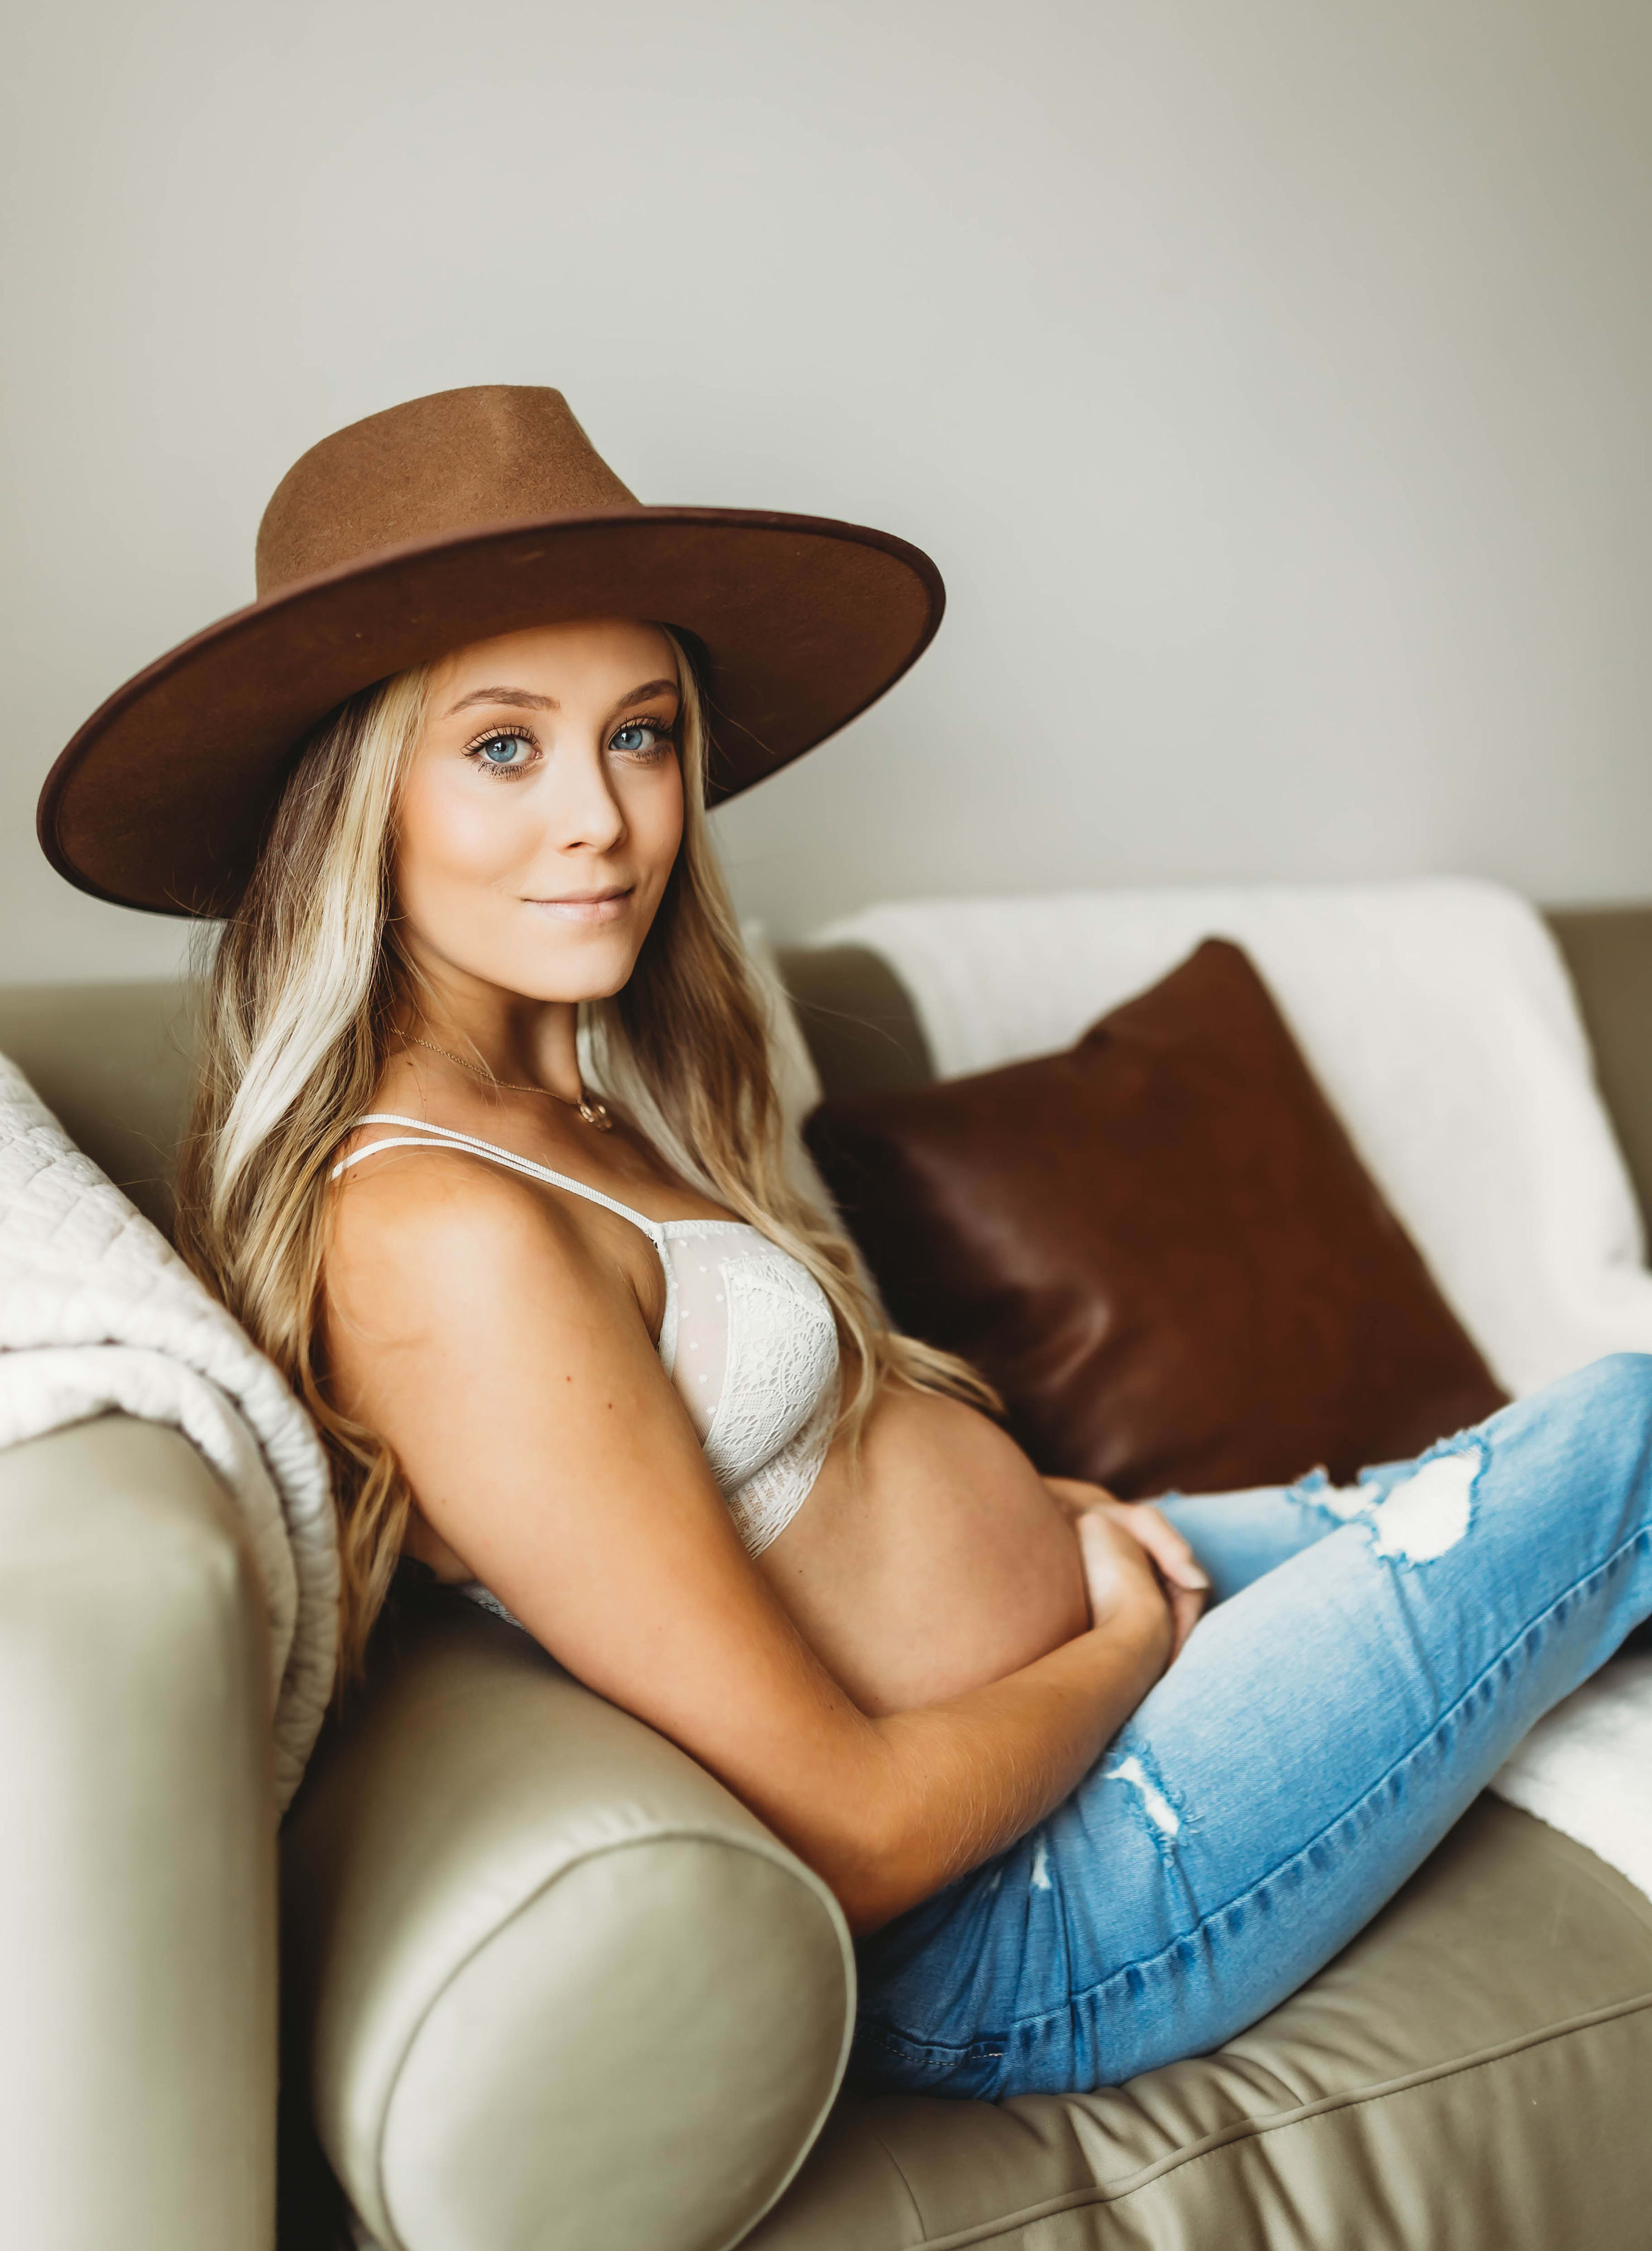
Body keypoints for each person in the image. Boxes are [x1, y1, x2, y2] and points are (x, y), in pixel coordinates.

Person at [41, 384, 1652, 2100]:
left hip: (1078, 1654)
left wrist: (1053, 1521)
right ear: (359, 800)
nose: (601, 816)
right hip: (1024, 1901)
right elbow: (856, 1832)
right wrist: (1116, 1634)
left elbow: (820, 1515)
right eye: (504, 747)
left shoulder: (585, 1113)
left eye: (642, 735)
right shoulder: (432, 1230)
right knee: (1629, 1433)